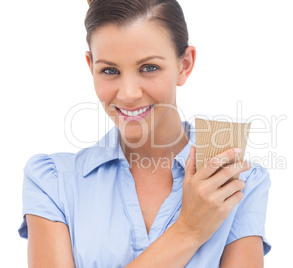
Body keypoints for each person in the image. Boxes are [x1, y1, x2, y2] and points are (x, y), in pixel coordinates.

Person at [17, 0, 272, 267]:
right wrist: (188, 231)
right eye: (110, 71)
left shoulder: (235, 181)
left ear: (185, 64)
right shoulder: (53, 183)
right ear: (90, 66)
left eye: (149, 68)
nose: (128, 94)